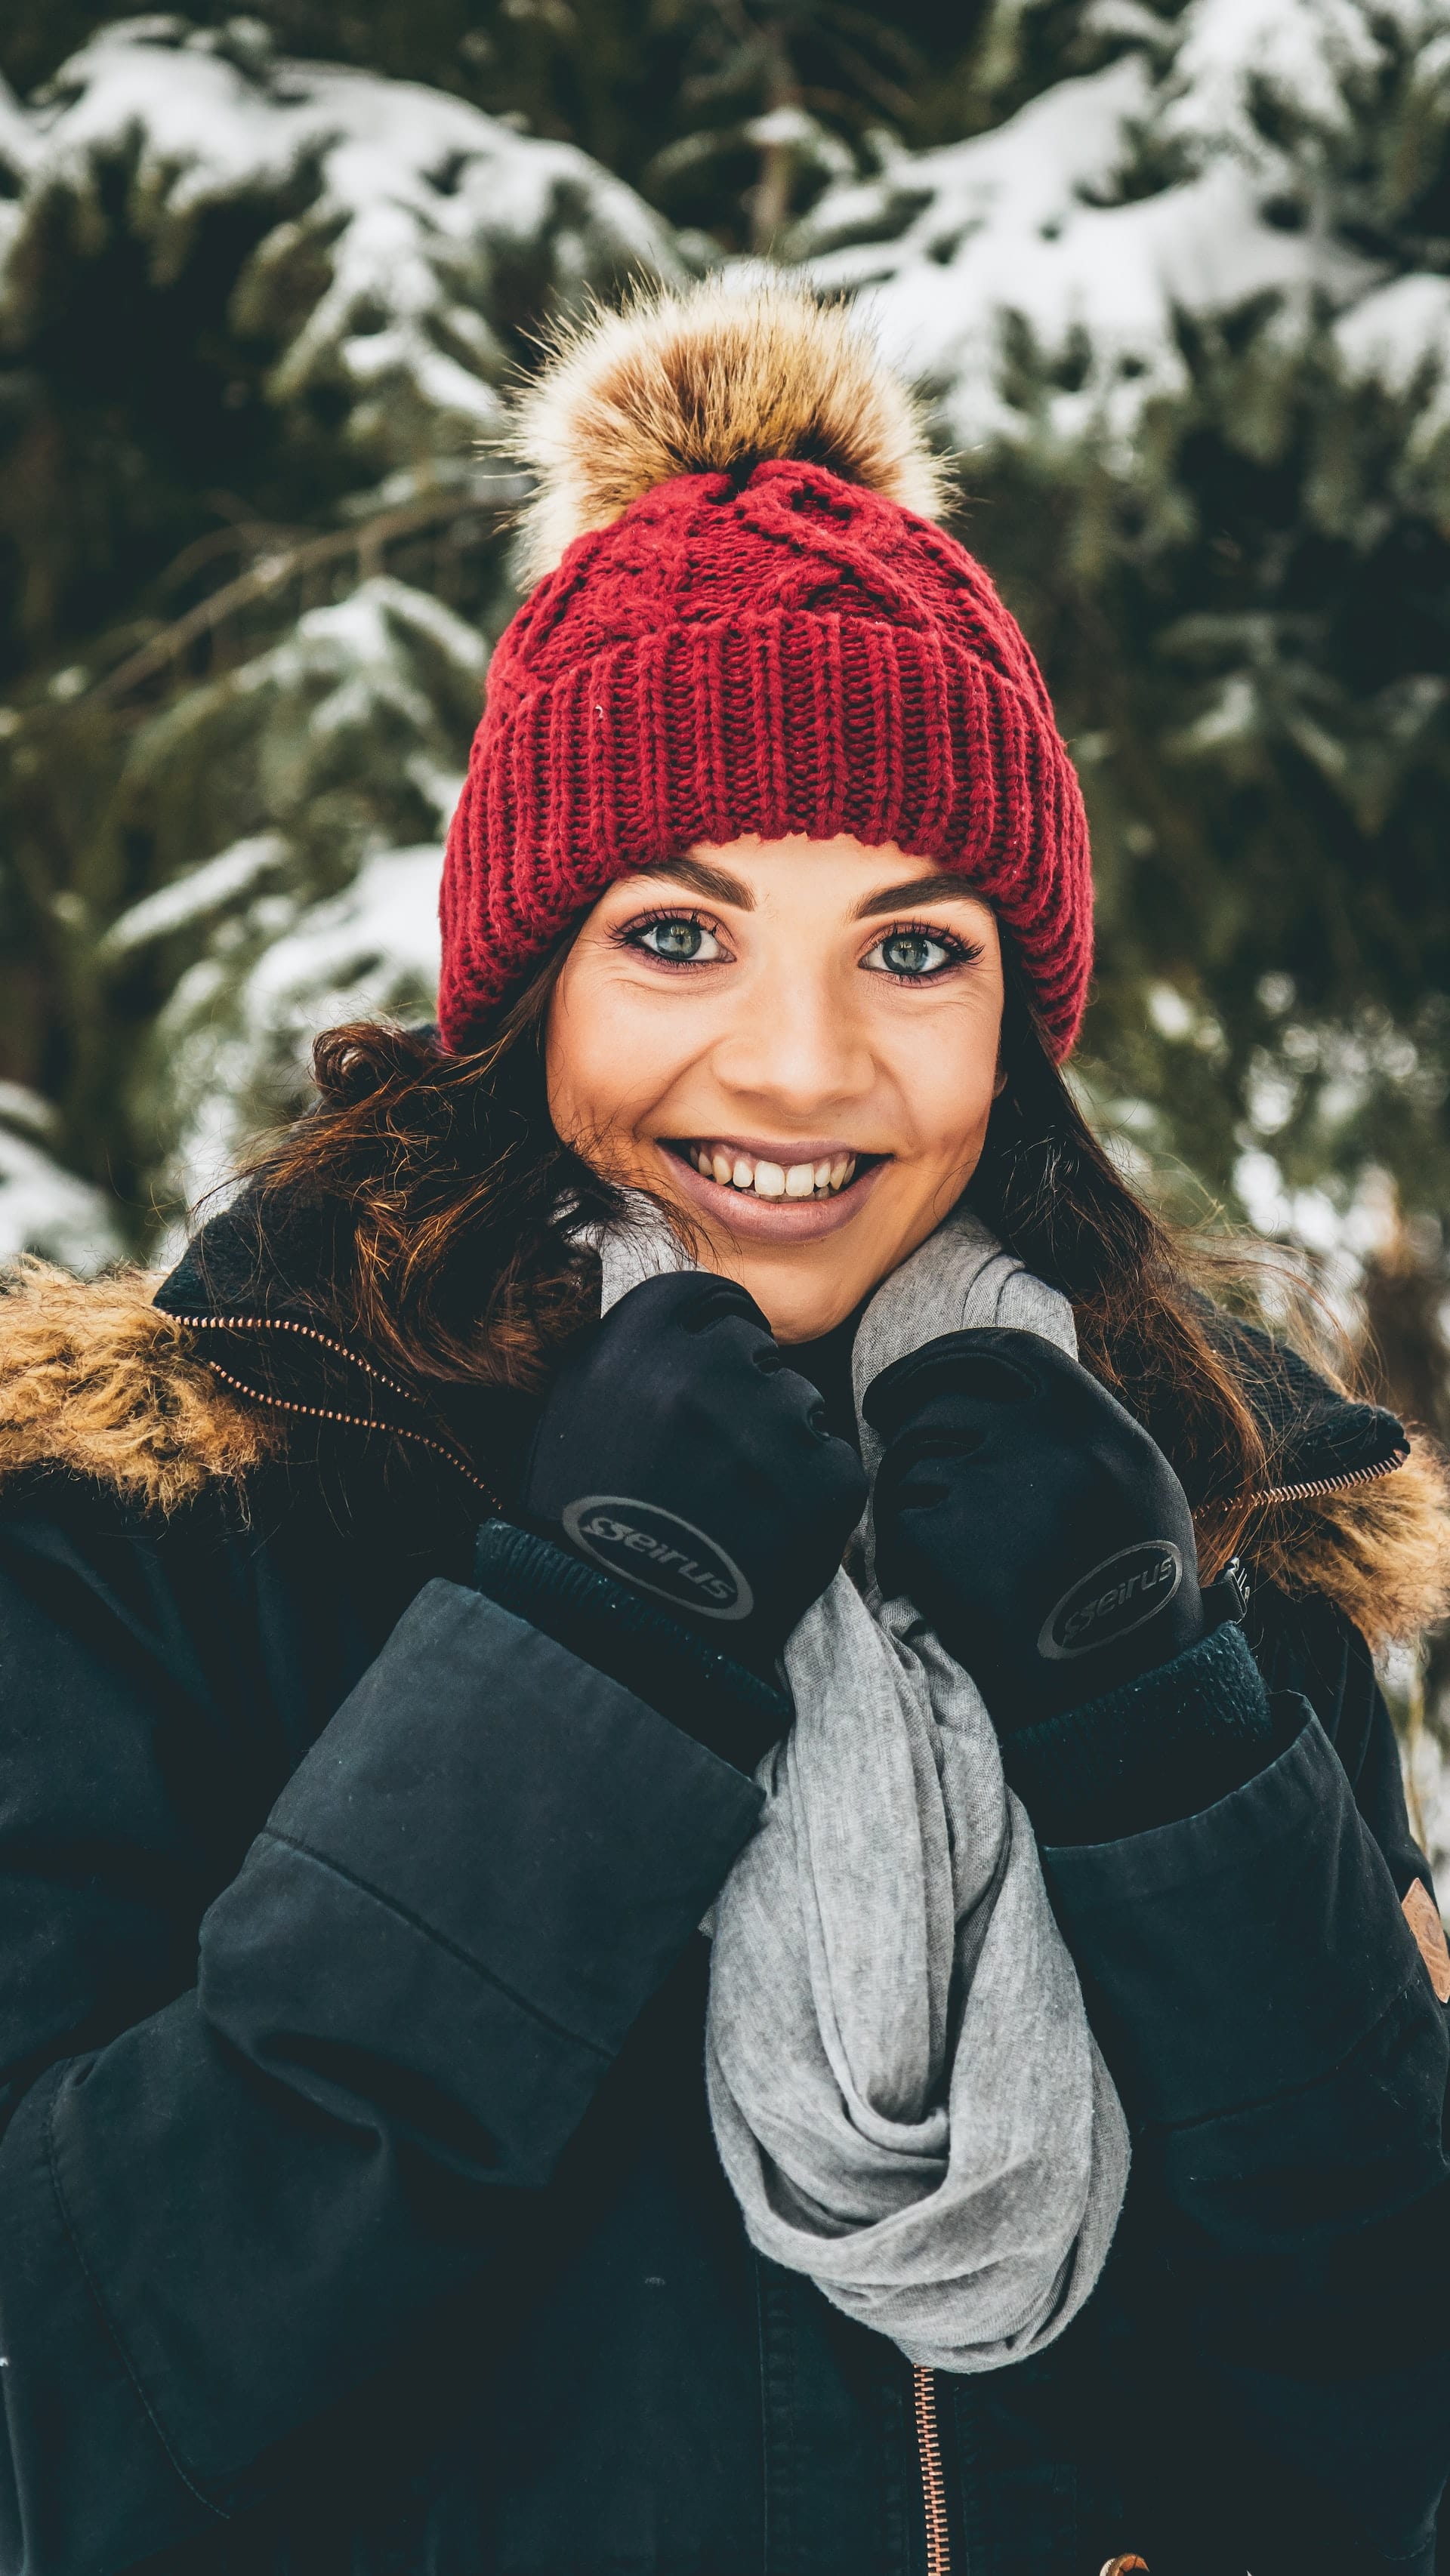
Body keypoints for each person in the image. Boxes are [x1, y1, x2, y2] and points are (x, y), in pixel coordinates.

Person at [0, 279, 1448, 2576]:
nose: (798, 1069)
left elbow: (1383, 2438)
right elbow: (73, 2421)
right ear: (528, 969)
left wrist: (1161, 1732)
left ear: (1022, 1014)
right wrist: (578, 1654)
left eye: (915, 944)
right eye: (680, 935)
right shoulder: (183, 1501)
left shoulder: (1214, 1513)